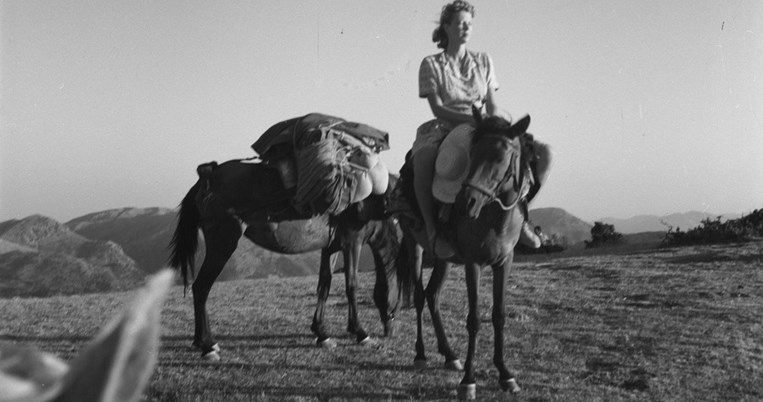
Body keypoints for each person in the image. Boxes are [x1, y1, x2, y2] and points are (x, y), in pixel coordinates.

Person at [411, 0, 552, 256]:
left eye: (469, 24)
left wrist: (497, 125)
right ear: (447, 26)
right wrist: (471, 121)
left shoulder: (484, 60)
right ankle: (433, 230)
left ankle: (521, 218)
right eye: (460, 23)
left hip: (484, 125)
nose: (466, 28)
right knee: (423, 159)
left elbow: (492, 105)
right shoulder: (431, 64)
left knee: (543, 153)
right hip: (446, 125)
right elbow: (438, 109)